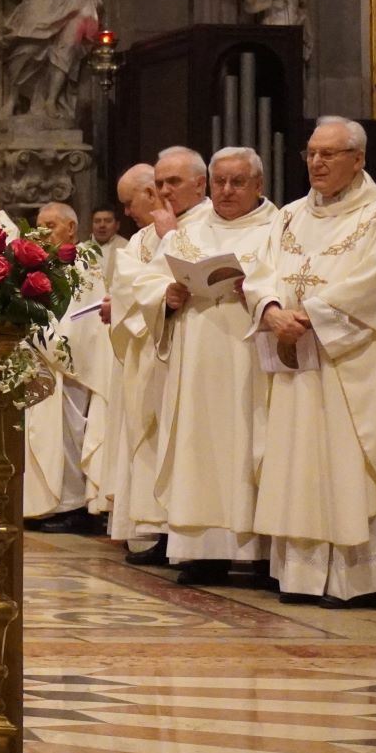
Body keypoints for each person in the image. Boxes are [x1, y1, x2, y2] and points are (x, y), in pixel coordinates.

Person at [247, 118, 376, 607]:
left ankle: (355, 580)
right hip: (295, 359)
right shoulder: (288, 216)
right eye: (312, 152)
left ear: (358, 160)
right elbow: (259, 271)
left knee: (347, 459)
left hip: (350, 361)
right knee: (298, 461)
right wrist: (271, 311)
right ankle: (301, 574)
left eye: (330, 154)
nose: (317, 162)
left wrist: (310, 317)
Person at [151, 146, 275, 586]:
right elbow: (154, 282)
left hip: (249, 352)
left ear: (258, 185)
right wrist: (166, 300)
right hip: (196, 351)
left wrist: (260, 290)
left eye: (237, 182)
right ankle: (201, 551)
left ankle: (255, 553)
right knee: (198, 445)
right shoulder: (190, 229)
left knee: (248, 444)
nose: (226, 190)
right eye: (220, 181)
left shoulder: (278, 227)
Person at [106, 150, 209, 561]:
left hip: (189, 350)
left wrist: (171, 239)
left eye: (172, 183)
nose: (165, 192)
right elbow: (128, 281)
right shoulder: (143, 237)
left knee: (182, 442)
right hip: (149, 346)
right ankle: (154, 526)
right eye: (161, 185)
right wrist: (158, 297)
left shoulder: (208, 224)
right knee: (149, 438)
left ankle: (182, 532)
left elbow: (203, 270)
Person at [24, 202, 101, 529]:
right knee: (39, 434)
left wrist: (38, 336)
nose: (42, 234)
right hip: (39, 364)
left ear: (71, 228)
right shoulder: (40, 268)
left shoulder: (86, 266)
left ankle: (71, 507)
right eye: (39, 227)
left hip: (68, 369)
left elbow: (83, 321)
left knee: (68, 434)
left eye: (50, 226)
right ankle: (42, 506)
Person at [89, 205, 126, 281]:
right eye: (97, 221)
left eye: (108, 221)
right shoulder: (82, 250)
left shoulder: (127, 247)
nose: (102, 225)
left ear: (117, 225)